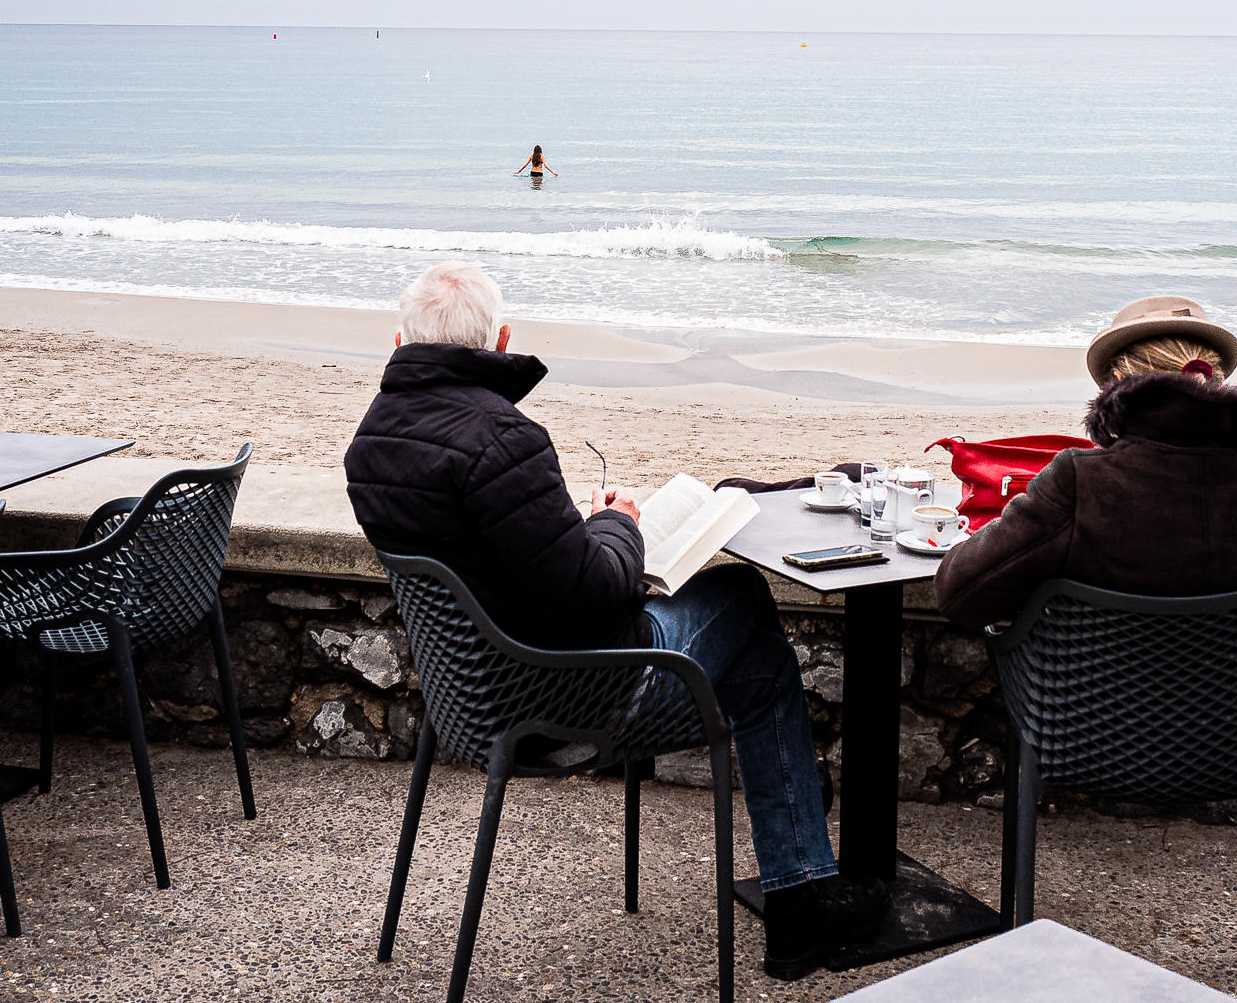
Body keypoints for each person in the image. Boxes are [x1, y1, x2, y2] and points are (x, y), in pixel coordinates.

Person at [342, 262, 886, 981]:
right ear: (501, 341)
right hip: (575, 695)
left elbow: (503, 564)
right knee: (745, 597)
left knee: (759, 673)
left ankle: (800, 903)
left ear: (400, 340)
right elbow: (590, 596)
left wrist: (582, 531)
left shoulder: (372, 441)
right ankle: (796, 894)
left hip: (472, 699)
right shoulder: (505, 439)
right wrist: (617, 524)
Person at [935, 295, 1237, 641]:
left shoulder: (1079, 481)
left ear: (1116, 387)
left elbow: (960, 597)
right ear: (1218, 386)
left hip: (1079, 735)